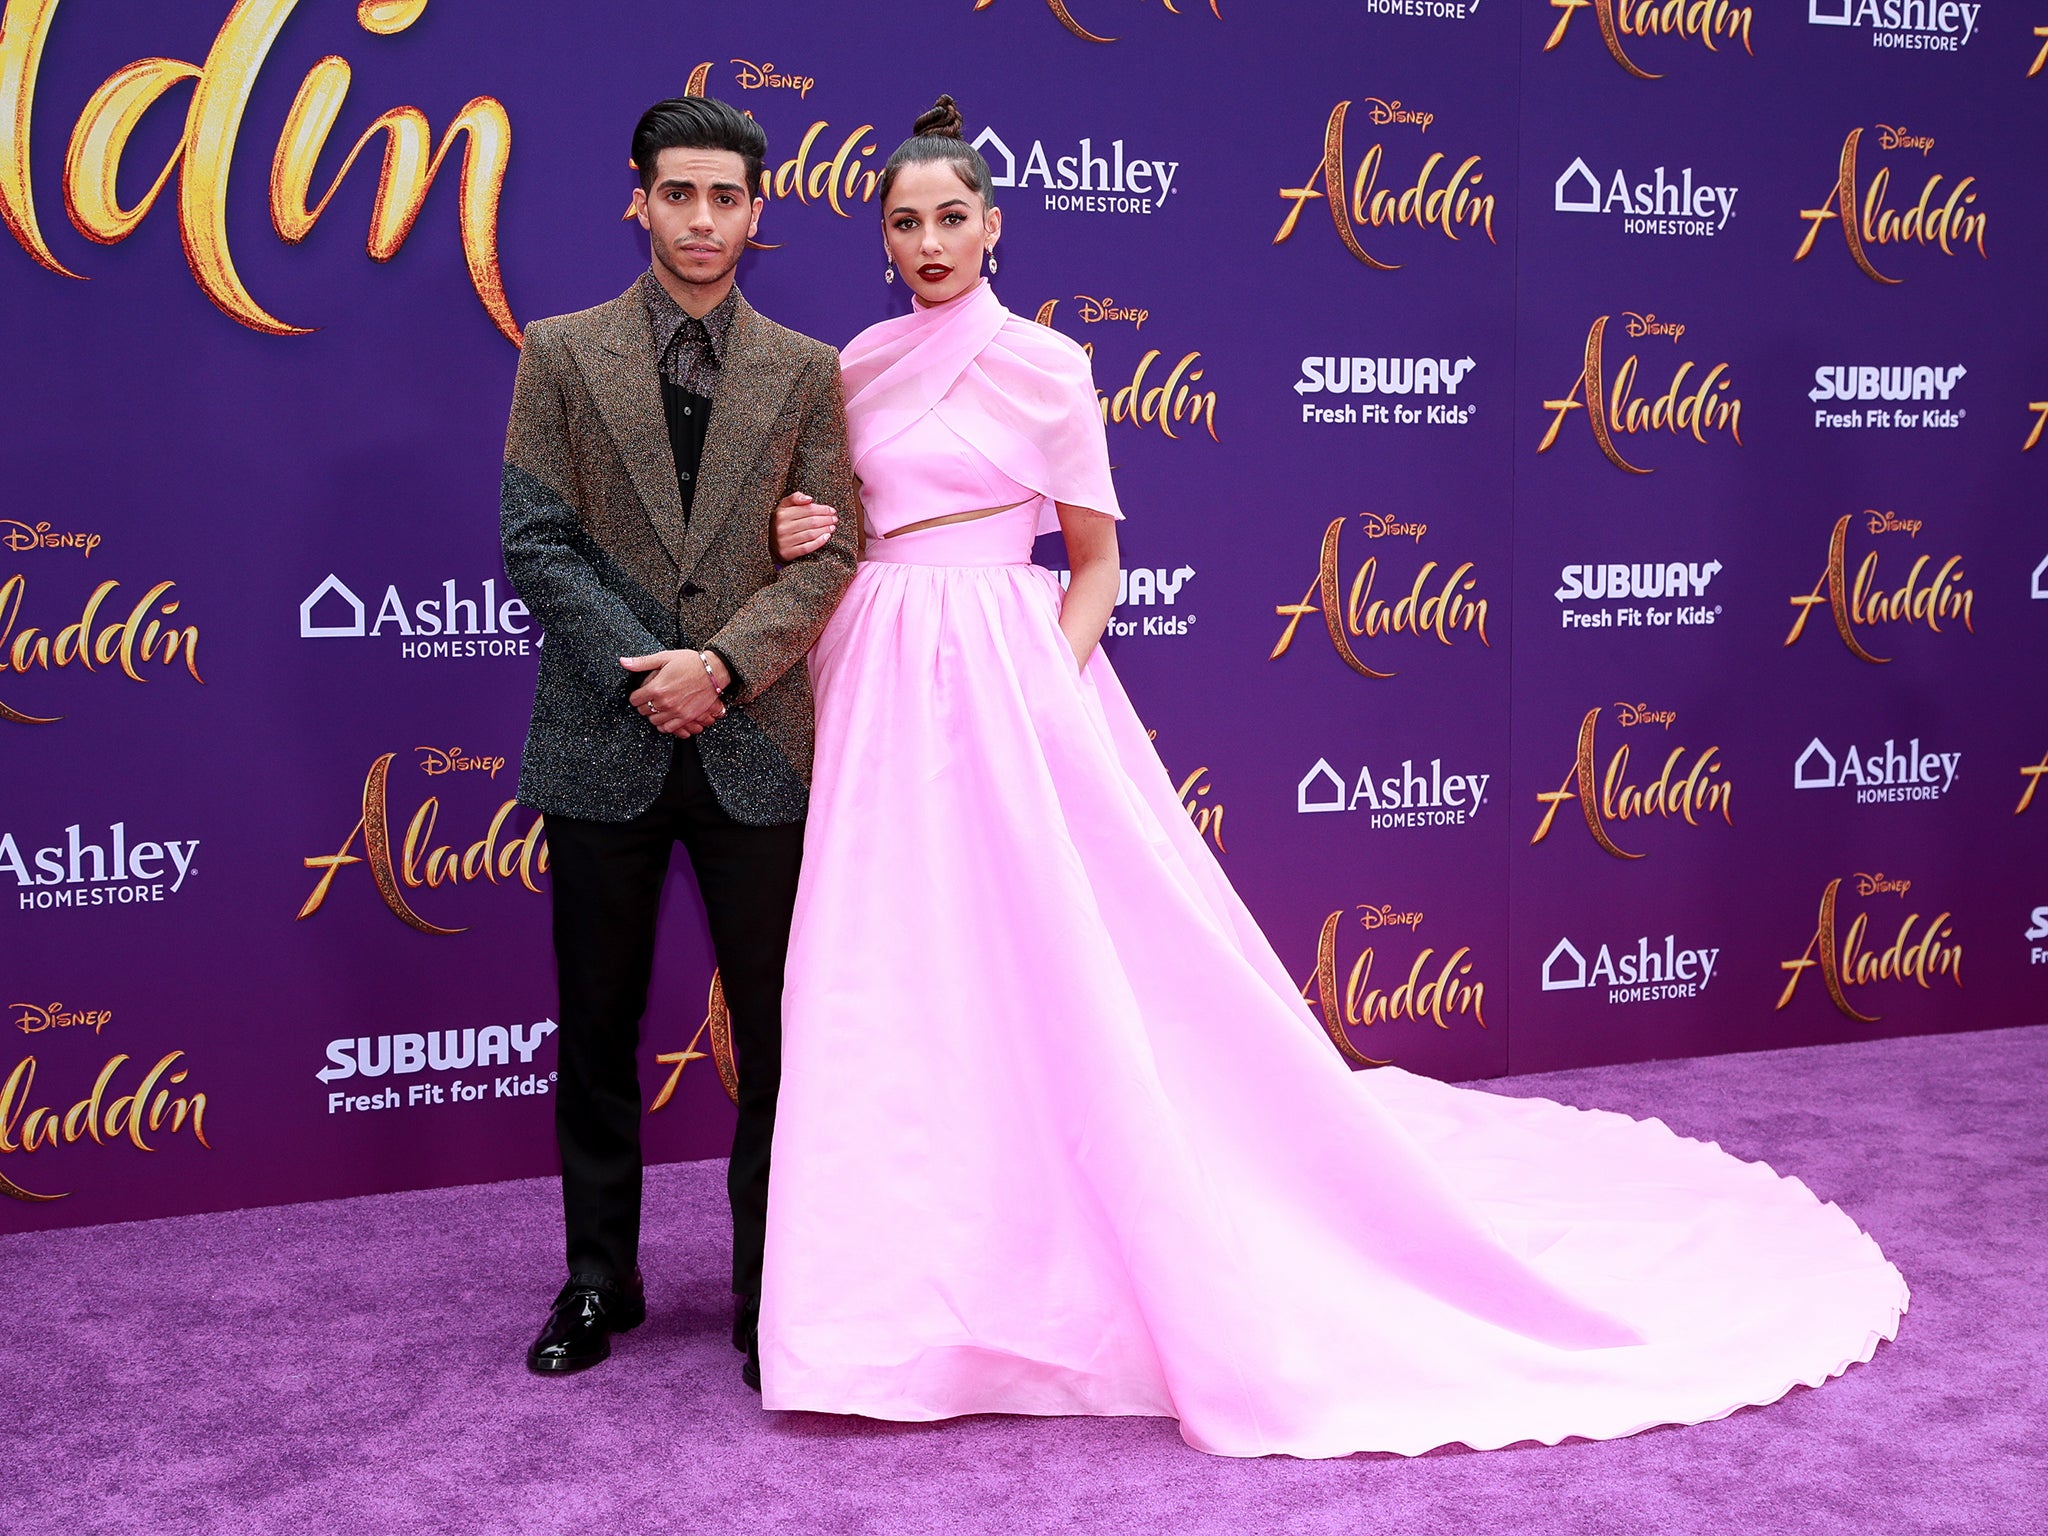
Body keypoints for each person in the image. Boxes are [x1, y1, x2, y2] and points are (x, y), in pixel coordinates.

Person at [755, 97, 1907, 1457]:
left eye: (956, 218)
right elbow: (835, 531)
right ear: (879, 237)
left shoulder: (1051, 367)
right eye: (907, 221)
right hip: (878, 682)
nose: (932, 241)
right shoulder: (853, 366)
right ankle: (874, 1312)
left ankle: (1033, 1280)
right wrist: (799, 527)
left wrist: (1040, 699)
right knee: (886, 978)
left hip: (1012, 689)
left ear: (997, 228)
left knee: (1052, 968)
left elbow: (1099, 562)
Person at [500, 95, 860, 1384]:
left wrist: (723, 665)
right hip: (605, 735)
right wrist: (643, 670)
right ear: (638, 201)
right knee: (594, 1027)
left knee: (779, 1034)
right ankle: (598, 1278)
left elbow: (838, 555)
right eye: (679, 195)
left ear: (757, 213)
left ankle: (777, 1291)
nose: (702, 220)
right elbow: (536, 539)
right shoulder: (559, 351)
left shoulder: (811, 369)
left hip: (757, 744)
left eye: (726, 198)